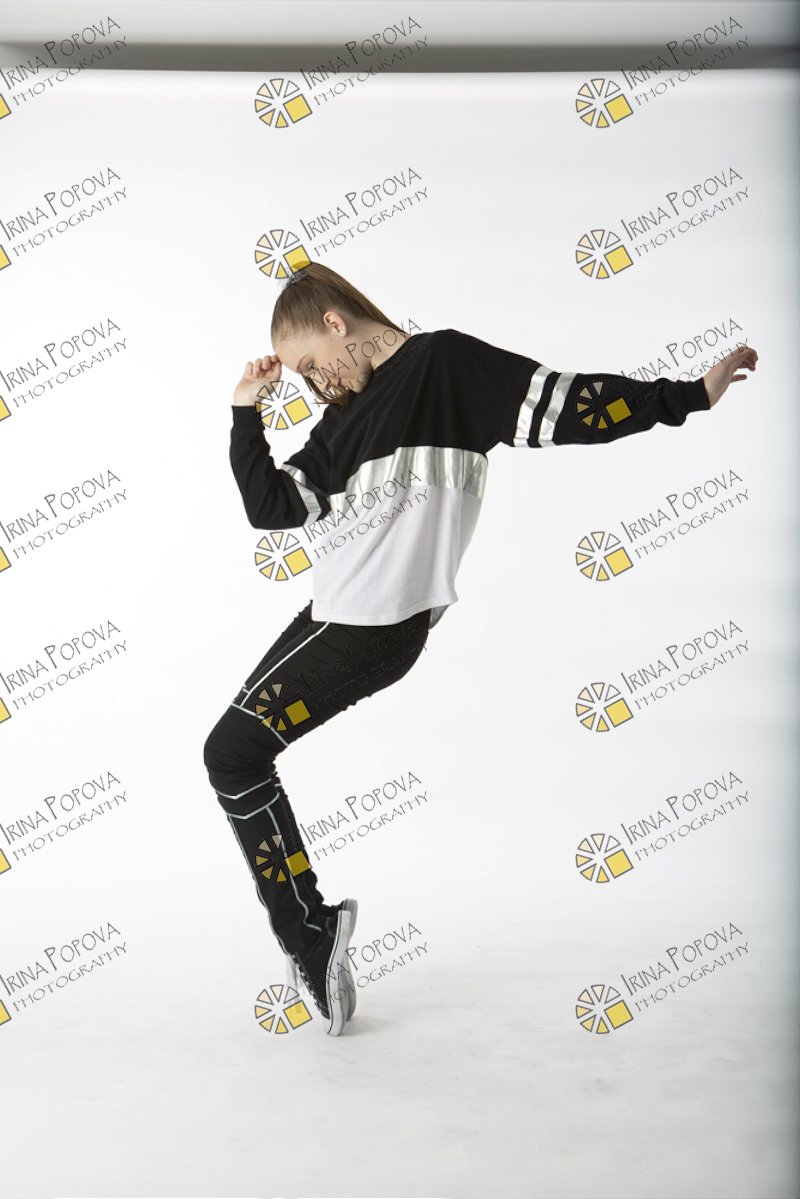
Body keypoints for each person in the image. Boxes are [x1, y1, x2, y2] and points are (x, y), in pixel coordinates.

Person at [203, 260, 758, 1036]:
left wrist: (688, 396)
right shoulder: (343, 421)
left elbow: (569, 405)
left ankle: (311, 932)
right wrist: (244, 411)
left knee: (230, 754)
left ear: (336, 323)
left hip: (374, 625)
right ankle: (312, 929)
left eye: (310, 364)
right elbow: (272, 506)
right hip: (336, 613)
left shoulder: (445, 365)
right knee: (234, 755)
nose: (313, 384)